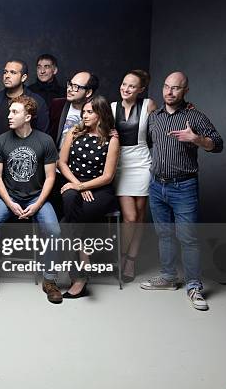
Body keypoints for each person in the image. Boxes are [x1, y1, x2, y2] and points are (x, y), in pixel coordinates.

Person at [140, 71, 223, 311]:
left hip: (183, 187)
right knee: (164, 234)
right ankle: (167, 278)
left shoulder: (194, 116)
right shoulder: (154, 117)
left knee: (188, 238)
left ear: (185, 90)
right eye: (166, 87)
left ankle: (194, 286)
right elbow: (144, 142)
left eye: (176, 88)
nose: (169, 92)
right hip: (156, 185)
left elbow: (217, 144)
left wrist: (197, 139)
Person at [0, 95, 62, 305]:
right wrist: (10, 203)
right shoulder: (1, 141)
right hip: (8, 197)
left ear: (28, 116)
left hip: (37, 197)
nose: (9, 116)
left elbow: (51, 178)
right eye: (10, 111)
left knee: (54, 231)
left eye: (15, 112)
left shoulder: (44, 141)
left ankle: (50, 280)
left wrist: (37, 204)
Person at [58, 95, 120, 298]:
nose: (84, 115)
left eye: (89, 112)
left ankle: (78, 276)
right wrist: (77, 185)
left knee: (66, 225)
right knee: (68, 197)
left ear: (101, 114)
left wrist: (83, 186)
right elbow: (62, 163)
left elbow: (108, 176)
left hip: (100, 189)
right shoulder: (74, 133)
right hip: (74, 182)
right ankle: (82, 259)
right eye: (83, 111)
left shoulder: (112, 139)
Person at [111, 70, 157, 282]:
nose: (125, 89)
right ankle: (120, 257)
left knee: (139, 216)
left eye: (131, 86)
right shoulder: (112, 108)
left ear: (141, 90)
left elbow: (160, 129)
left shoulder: (148, 105)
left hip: (143, 162)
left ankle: (131, 260)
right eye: (123, 84)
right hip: (120, 164)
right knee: (129, 217)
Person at [49, 71, 100, 218]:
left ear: (89, 92)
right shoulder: (57, 105)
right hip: (57, 169)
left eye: (76, 87)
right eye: (70, 84)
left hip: (83, 173)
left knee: (78, 210)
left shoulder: (97, 111)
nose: (70, 88)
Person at [0, 59, 49, 136]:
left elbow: (42, 136)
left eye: (13, 72)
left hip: (26, 147)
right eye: (5, 72)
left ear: (23, 77)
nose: (7, 76)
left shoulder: (37, 102)